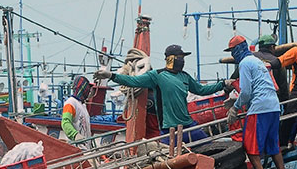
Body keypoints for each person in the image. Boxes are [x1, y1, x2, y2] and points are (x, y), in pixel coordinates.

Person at [95, 44, 225, 141]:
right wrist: (110, 75)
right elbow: (133, 81)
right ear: (170, 59)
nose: (182, 61)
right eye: (179, 58)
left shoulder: (185, 76)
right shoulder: (157, 75)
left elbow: (201, 90)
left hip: (188, 125)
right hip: (169, 128)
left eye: (183, 58)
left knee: (208, 146)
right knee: (167, 157)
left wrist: (223, 85)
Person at [226, 35, 289, 169]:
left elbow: (246, 92)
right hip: (273, 106)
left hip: (259, 108)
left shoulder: (245, 63)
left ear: (237, 50)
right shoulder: (257, 62)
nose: (232, 55)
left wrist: (234, 108)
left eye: (232, 51)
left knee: (249, 145)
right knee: (273, 145)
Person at [61, 74, 93, 146]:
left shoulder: (83, 105)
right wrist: (75, 135)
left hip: (85, 148)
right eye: (88, 88)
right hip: (76, 147)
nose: (89, 91)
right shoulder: (70, 103)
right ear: (82, 88)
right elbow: (65, 122)